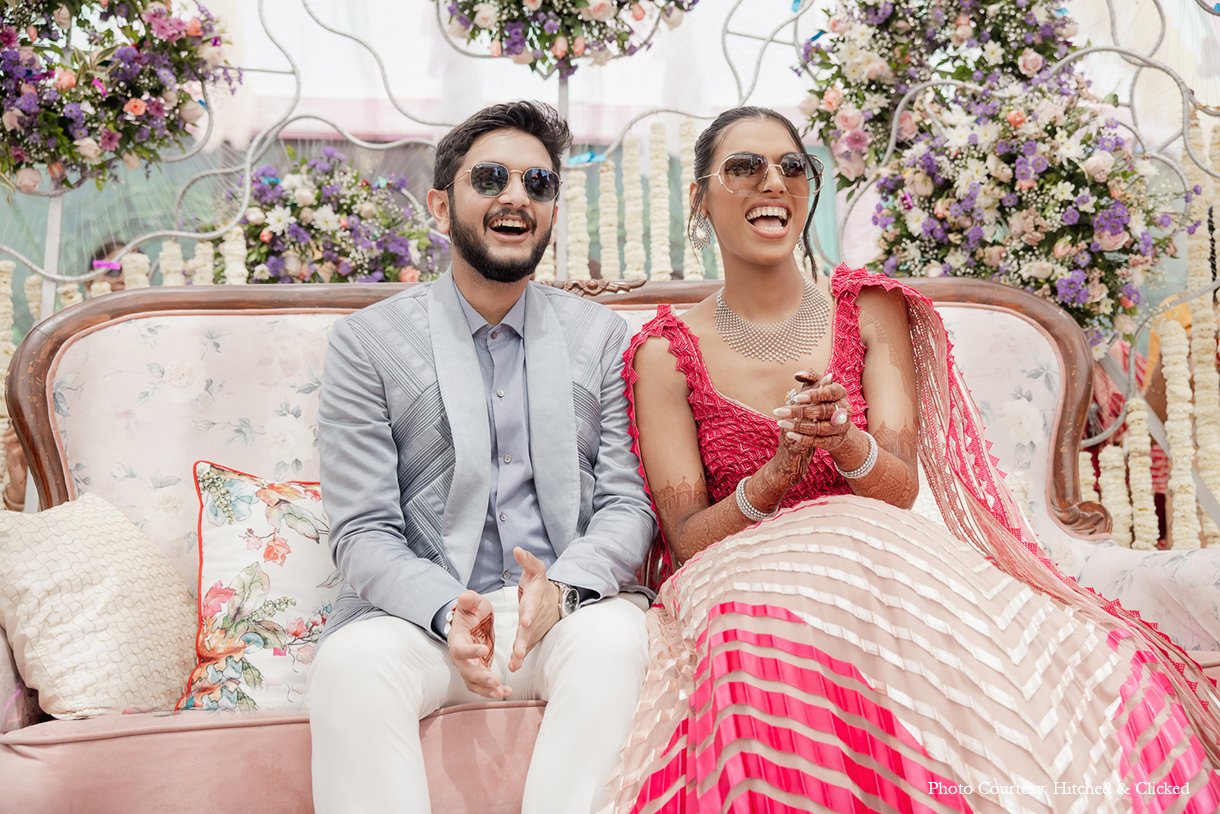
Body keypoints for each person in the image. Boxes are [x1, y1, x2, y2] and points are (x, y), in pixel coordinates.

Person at [602, 106, 1220, 813]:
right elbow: (684, 537)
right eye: (744, 167)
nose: (772, 181)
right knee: (762, 650)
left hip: (881, 553)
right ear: (701, 197)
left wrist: (843, 440)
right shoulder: (662, 353)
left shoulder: (866, 307)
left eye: (791, 166)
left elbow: (896, 486)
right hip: (746, 576)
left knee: (1089, 671)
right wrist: (776, 474)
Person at [307, 101, 656, 814]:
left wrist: (563, 587)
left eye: (538, 184)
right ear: (441, 206)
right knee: (349, 664)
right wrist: (444, 611)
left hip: (564, 613)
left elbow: (629, 504)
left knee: (620, 639)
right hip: (426, 620)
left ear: (552, 212)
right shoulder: (367, 344)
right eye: (490, 178)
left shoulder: (604, 338)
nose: (516, 197)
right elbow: (361, 532)